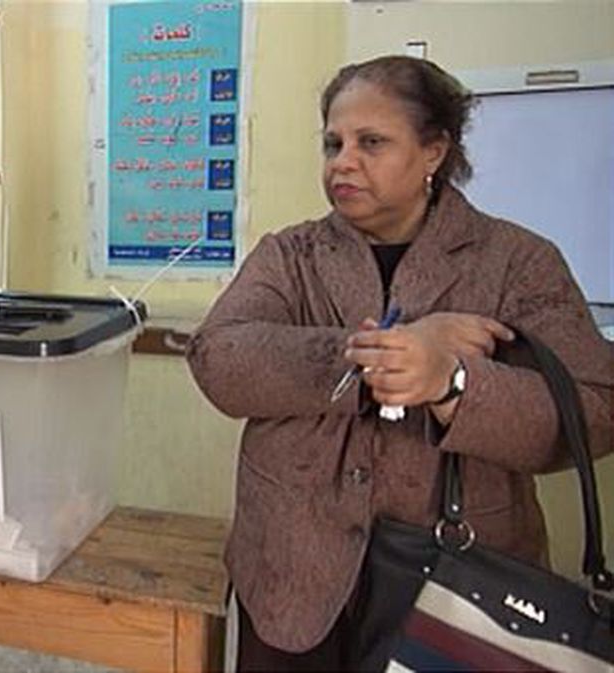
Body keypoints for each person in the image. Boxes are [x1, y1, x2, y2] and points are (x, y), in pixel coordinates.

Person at [186, 55, 613, 670]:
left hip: (459, 592)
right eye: (333, 143)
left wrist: (452, 382)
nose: (342, 162)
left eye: (372, 142)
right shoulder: (291, 254)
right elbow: (217, 357)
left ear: (434, 151)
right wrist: (369, 359)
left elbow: (595, 407)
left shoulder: (518, 261)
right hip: (290, 580)